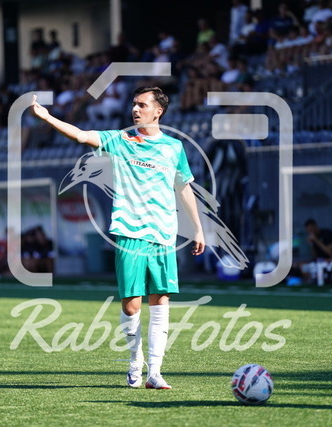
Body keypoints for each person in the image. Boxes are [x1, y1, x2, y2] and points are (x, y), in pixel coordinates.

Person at [31, 86, 205, 389]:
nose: (135, 109)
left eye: (142, 105)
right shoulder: (120, 140)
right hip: (129, 232)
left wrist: (198, 228)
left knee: (161, 301)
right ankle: (135, 361)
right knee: (131, 305)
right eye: (134, 104)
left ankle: (155, 372)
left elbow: (184, 187)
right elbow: (81, 135)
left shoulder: (174, 147)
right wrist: (47, 117)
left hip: (163, 234)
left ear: (158, 111)